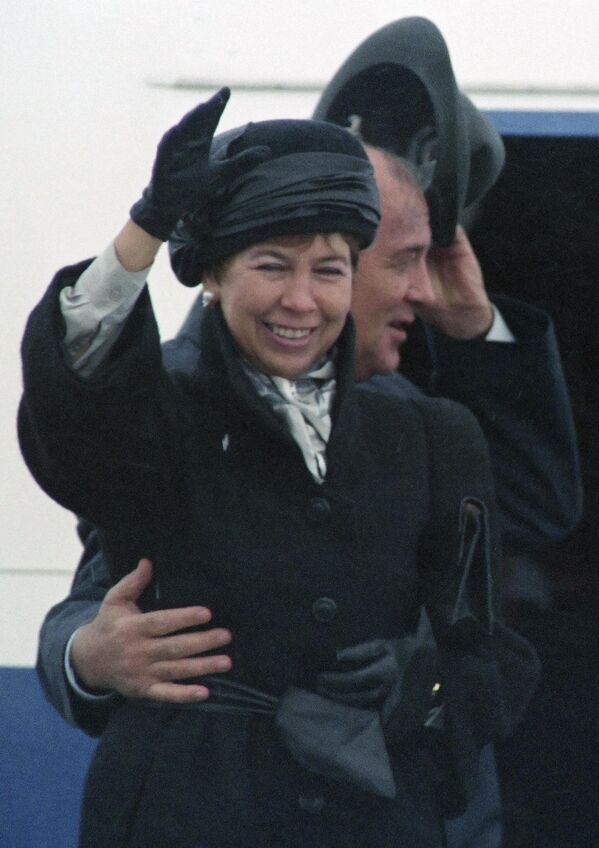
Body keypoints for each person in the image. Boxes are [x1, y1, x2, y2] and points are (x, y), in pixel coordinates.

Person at [34, 17, 580, 848]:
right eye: (405, 262)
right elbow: (96, 567)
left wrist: (424, 683)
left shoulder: (425, 419)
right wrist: (84, 656)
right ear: (221, 274)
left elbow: (525, 525)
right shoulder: (168, 405)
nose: (425, 291)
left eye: (325, 267)